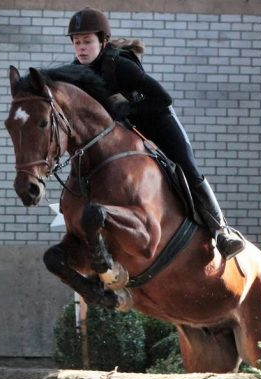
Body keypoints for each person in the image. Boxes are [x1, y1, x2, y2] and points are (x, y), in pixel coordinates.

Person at [67, 7, 245, 260]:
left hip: (157, 120)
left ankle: (221, 230)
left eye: (87, 41)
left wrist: (126, 107)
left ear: (102, 41)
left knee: (187, 167)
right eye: (77, 43)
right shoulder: (76, 72)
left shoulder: (121, 66)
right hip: (125, 131)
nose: (81, 48)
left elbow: (163, 98)